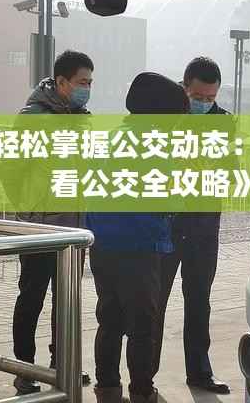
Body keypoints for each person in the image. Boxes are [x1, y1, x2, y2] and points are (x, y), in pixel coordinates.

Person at [86, 73, 190, 403]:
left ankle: (107, 390)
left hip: (103, 245)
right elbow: (171, 201)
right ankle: (143, 392)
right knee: (142, 326)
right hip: (140, 247)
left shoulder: (113, 138)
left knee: (109, 321)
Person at [6, 50, 94, 395]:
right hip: (40, 229)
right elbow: (10, 171)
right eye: (82, 82)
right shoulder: (32, 118)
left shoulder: (83, 119)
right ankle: (24, 369)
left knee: (67, 302)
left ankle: (62, 364)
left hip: (73, 229)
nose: (87, 89)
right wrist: (31, 213)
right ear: (61, 82)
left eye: (90, 82)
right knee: (32, 298)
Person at [153, 57, 232, 394]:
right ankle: (145, 377)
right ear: (184, 88)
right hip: (167, 228)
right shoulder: (165, 116)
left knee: (199, 301)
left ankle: (200, 372)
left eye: (210, 98)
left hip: (203, 229)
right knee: (154, 302)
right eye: (198, 97)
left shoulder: (224, 123)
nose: (204, 103)